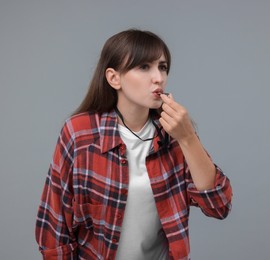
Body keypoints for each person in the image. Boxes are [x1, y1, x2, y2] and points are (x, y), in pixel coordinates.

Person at [35, 29, 232, 260]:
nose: (158, 77)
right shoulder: (80, 133)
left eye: (162, 67)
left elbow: (219, 206)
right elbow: (54, 226)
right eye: (144, 67)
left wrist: (187, 138)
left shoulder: (176, 133)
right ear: (113, 78)